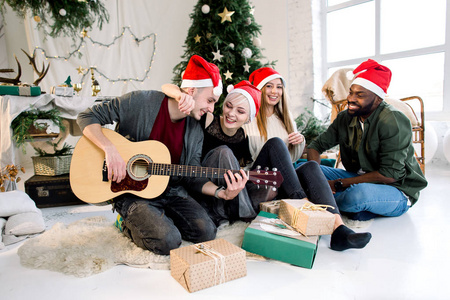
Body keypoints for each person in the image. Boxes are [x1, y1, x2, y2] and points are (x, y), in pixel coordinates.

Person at [163, 80, 372, 251]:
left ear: (248, 118)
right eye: (228, 106)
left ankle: (339, 230)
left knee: (309, 167)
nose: (232, 114)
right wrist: (182, 95)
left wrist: (295, 147)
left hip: (242, 193)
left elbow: (254, 170)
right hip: (215, 196)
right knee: (229, 152)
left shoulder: (245, 137)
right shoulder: (207, 119)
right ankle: (302, 204)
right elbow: (168, 90)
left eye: (240, 111)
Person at [76, 55, 247, 255]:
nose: (211, 109)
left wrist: (222, 193)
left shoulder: (195, 130)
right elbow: (87, 116)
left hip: (171, 192)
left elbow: (193, 177)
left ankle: (159, 218)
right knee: (167, 241)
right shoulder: (141, 102)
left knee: (206, 232)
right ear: (191, 91)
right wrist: (109, 149)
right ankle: (126, 221)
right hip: (133, 194)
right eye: (210, 100)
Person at [307, 59, 428, 221]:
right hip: (357, 177)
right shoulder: (346, 117)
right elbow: (316, 146)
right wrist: (314, 175)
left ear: (378, 99)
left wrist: (338, 184)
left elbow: (390, 174)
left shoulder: (393, 120)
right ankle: (346, 205)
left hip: (395, 188)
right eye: (351, 92)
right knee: (304, 169)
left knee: (357, 195)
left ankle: (319, 200)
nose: (351, 98)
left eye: (360, 95)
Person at [244, 67, 305, 164]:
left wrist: (299, 141)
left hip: (283, 171)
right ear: (260, 89)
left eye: (279, 87)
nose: (274, 91)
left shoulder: (286, 117)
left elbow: (292, 158)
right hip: (259, 173)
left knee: (312, 166)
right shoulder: (247, 118)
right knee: (275, 143)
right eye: (269, 86)